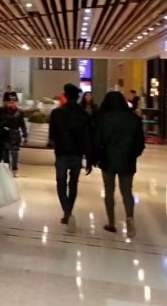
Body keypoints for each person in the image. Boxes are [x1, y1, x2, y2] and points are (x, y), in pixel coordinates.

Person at [92, 91, 145, 238]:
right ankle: (130, 217)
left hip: (108, 158)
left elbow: (97, 140)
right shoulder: (133, 119)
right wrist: (133, 154)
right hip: (127, 159)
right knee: (127, 191)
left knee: (109, 190)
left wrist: (96, 157)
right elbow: (140, 143)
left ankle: (111, 223)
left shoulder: (103, 118)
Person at [49, 83, 92, 233]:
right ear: (78, 97)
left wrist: (56, 145)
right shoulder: (83, 115)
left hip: (62, 153)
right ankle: (68, 212)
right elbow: (88, 138)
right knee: (73, 184)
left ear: (65, 96)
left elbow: (52, 135)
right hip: (77, 154)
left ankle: (67, 212)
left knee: (61, 183)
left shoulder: (56, 113)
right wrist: (89, 159)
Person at [0, 92, 27, 177]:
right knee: (5, 153)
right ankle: (7, 169)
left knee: (15, 152)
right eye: (10, 102)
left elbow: (22, 124)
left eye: (14, 101)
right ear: (5, 102)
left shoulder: (20, 112)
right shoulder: (1, 111)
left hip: (15, 134)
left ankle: (15, 168)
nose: (12, 103)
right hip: (4, 134)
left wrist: (25, 134)